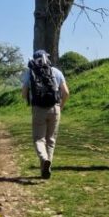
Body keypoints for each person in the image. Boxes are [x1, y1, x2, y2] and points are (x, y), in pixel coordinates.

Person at [20, 50, 70, 179]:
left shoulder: (29, 73)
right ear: (47, 58)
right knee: (51, 140)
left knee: (38, 139)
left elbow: (24, 93)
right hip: (55, 108)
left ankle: (44, 159)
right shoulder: (56, 72)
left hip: (38, 109)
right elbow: (66, 93)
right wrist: (61, 106)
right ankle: (46, 167)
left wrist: (29, 100)